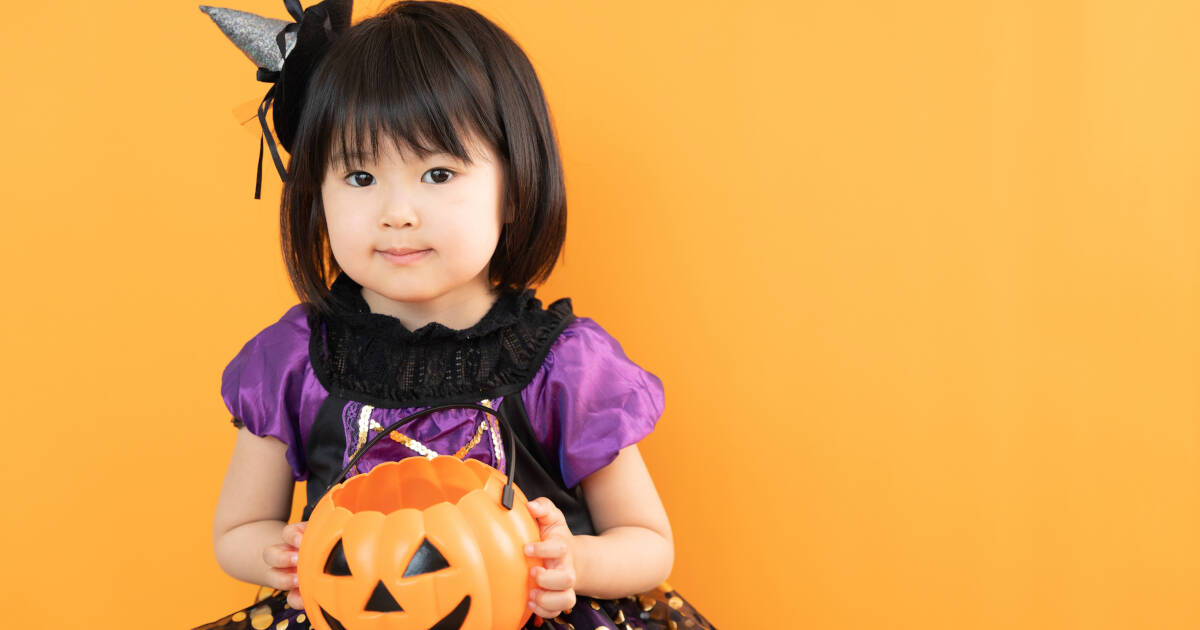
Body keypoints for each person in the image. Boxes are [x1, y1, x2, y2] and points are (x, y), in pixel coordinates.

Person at [192, 1, 717, 629]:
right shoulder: (296, 360)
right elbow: (238, 529)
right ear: (316, 193)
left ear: (515, 188)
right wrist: (274, 555)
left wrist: (570, 563)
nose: (397, 212)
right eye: (360, 177)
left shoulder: (562, 366)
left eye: (437, 173)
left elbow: (648, 544)